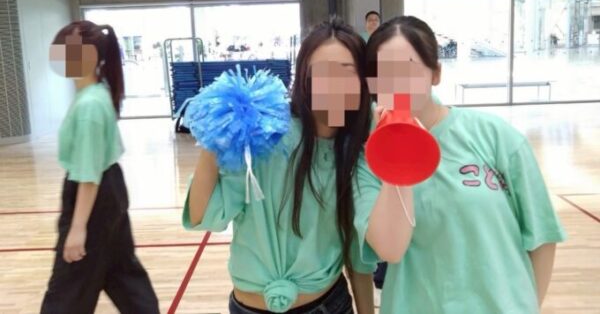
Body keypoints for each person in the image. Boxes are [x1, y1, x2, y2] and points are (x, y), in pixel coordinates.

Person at [183, 18, 414, 314]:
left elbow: (358, 253)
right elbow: (203, 216)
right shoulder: (268, 136)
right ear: (305, 79)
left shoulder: (357, 150)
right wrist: (214, 139)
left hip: (328, 305)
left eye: (347, 72)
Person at [363, 16, 566, 313]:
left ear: (435, 73)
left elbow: (541, 236)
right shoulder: (366, 157)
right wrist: (396, 149)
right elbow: (389, 248)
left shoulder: (495, 136)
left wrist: (526, 306)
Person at [42, 20, 159, 314]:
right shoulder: (95, 93)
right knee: (122, 275)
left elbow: (88, 175)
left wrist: (77, 228)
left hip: (94, 196)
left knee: (69, 289)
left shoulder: (90, 105)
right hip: (110, 192)